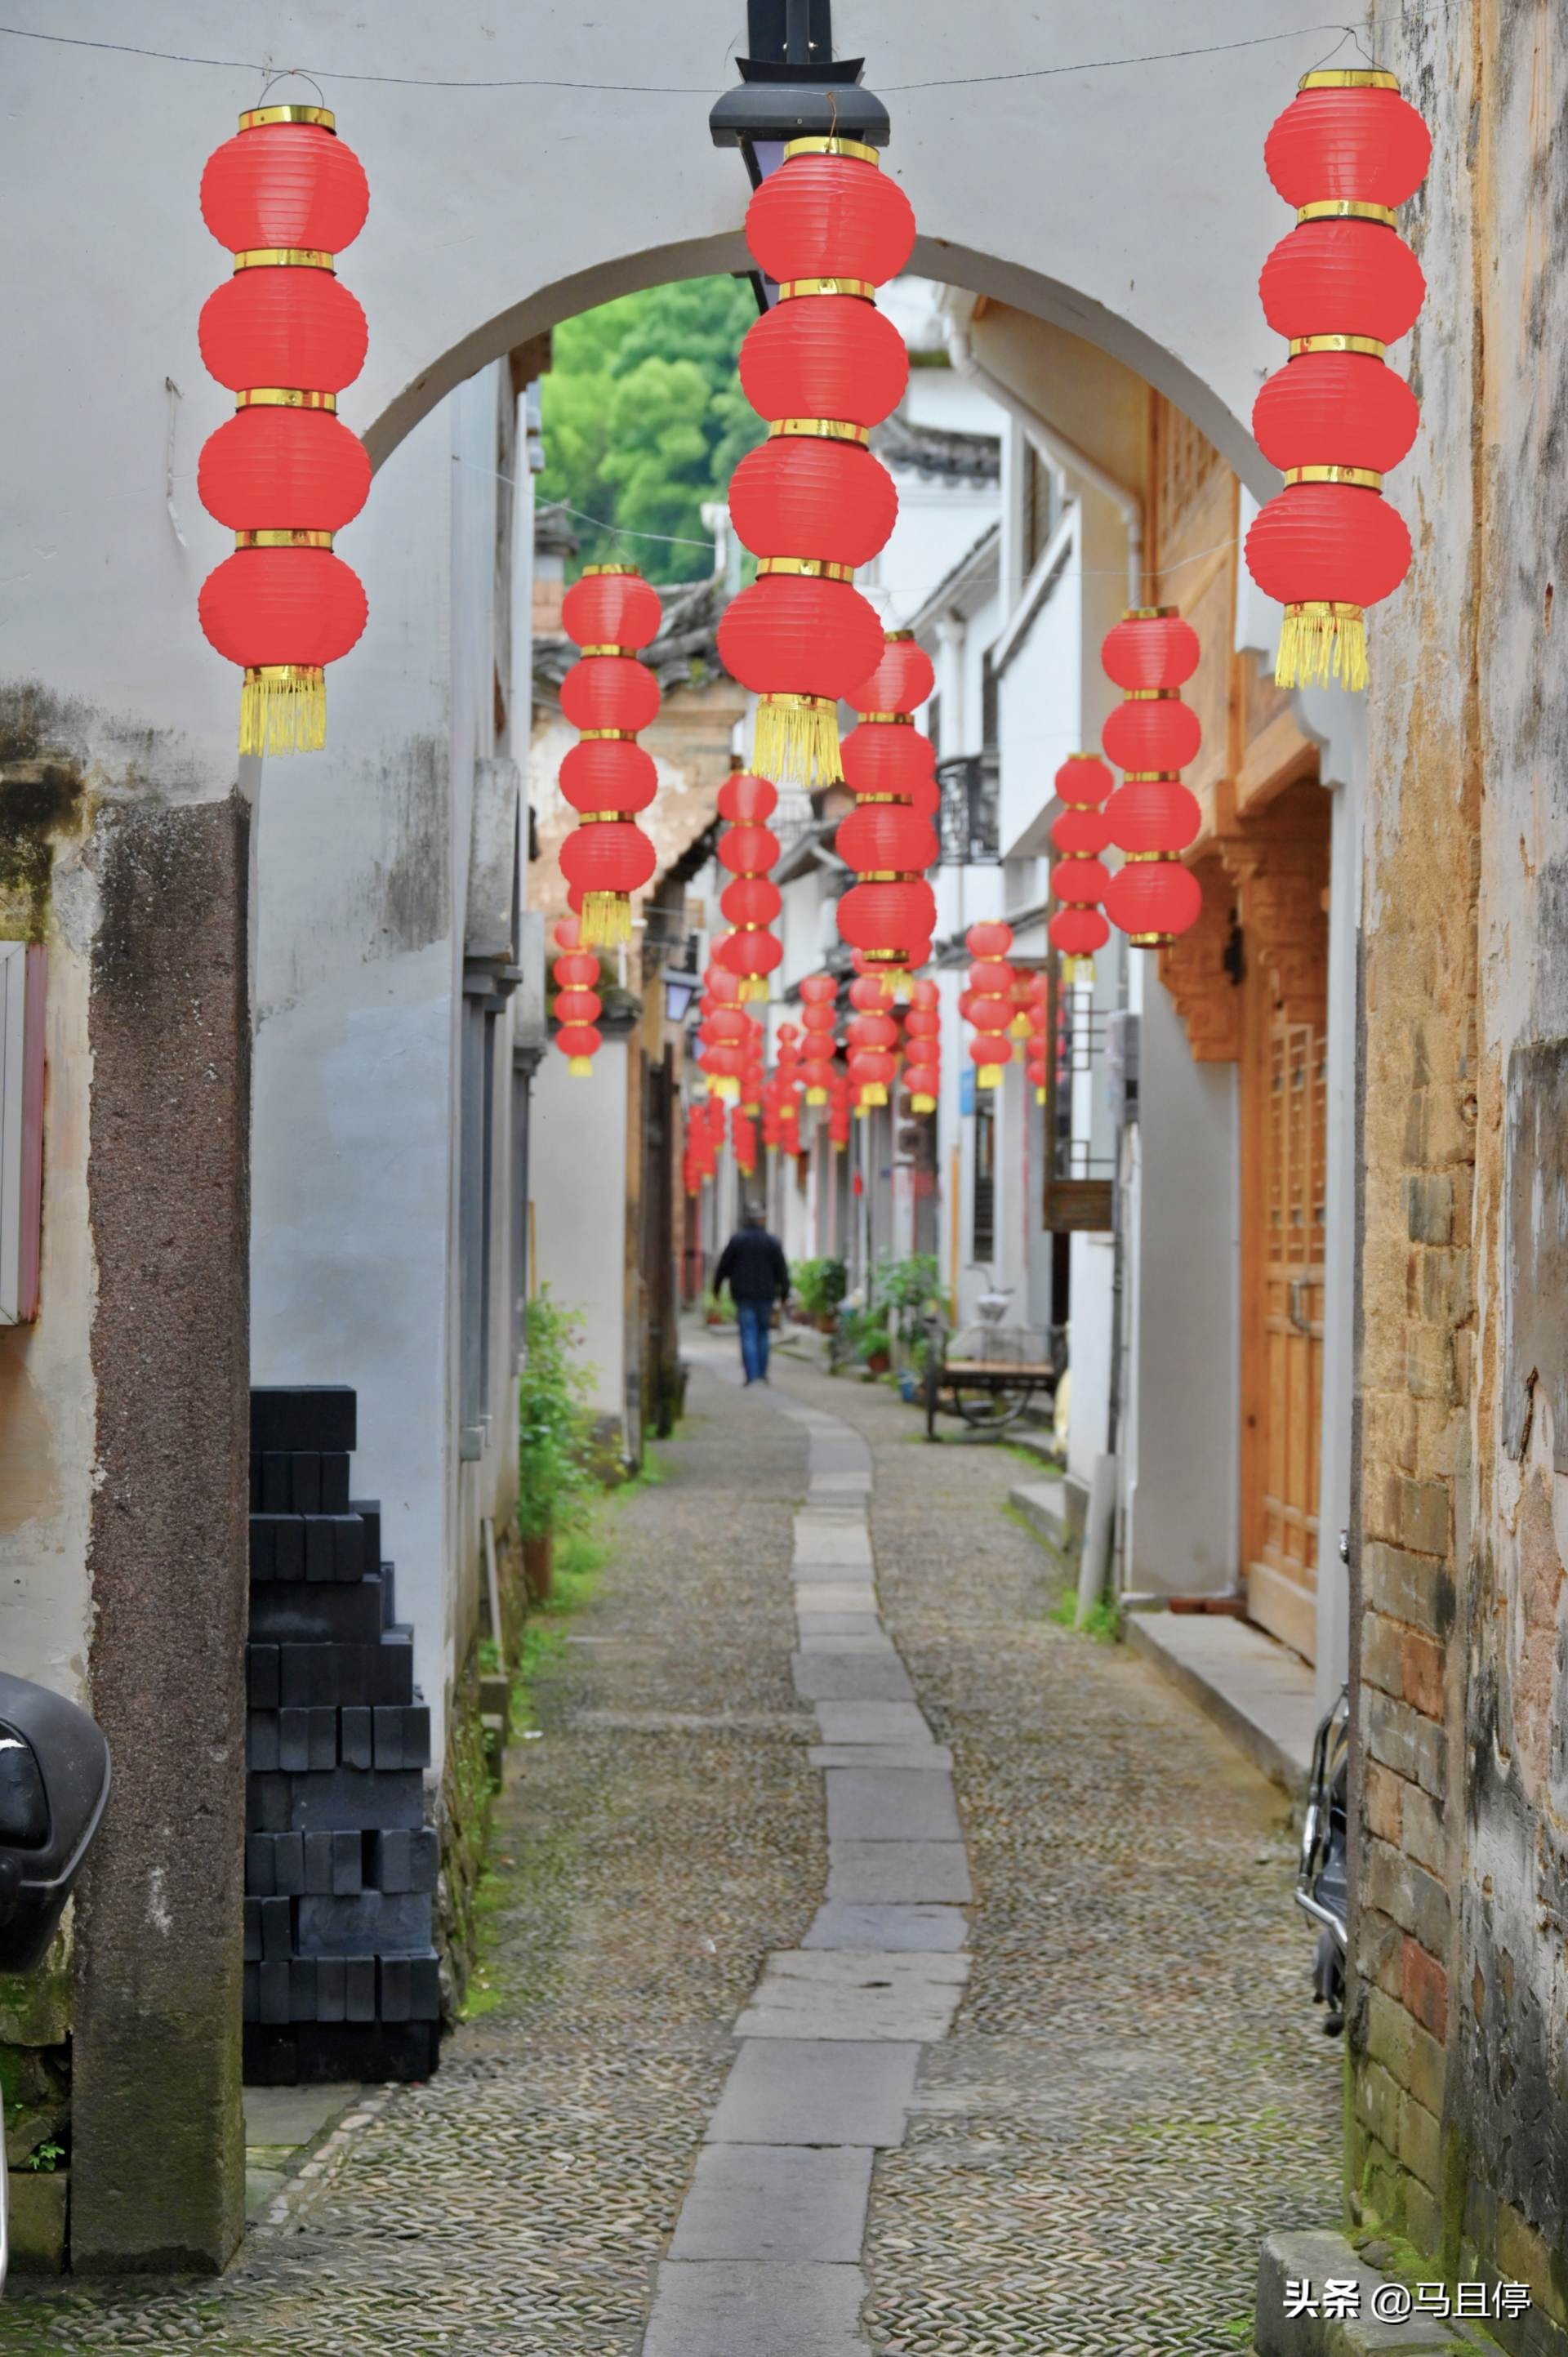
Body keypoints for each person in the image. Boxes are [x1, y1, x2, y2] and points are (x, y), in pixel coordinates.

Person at [712, 1203, 790, 1387]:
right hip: (766, 1295)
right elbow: (782, 1270)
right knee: (763, 1334)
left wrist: (716, 1288)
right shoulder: (771, 1242)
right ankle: (762, 1375)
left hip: (743, 1295)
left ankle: (752, 1375)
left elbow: (723, 1266)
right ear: (762, 1220)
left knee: (748, 1333)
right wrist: (784, 1294)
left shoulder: (737, 1240)